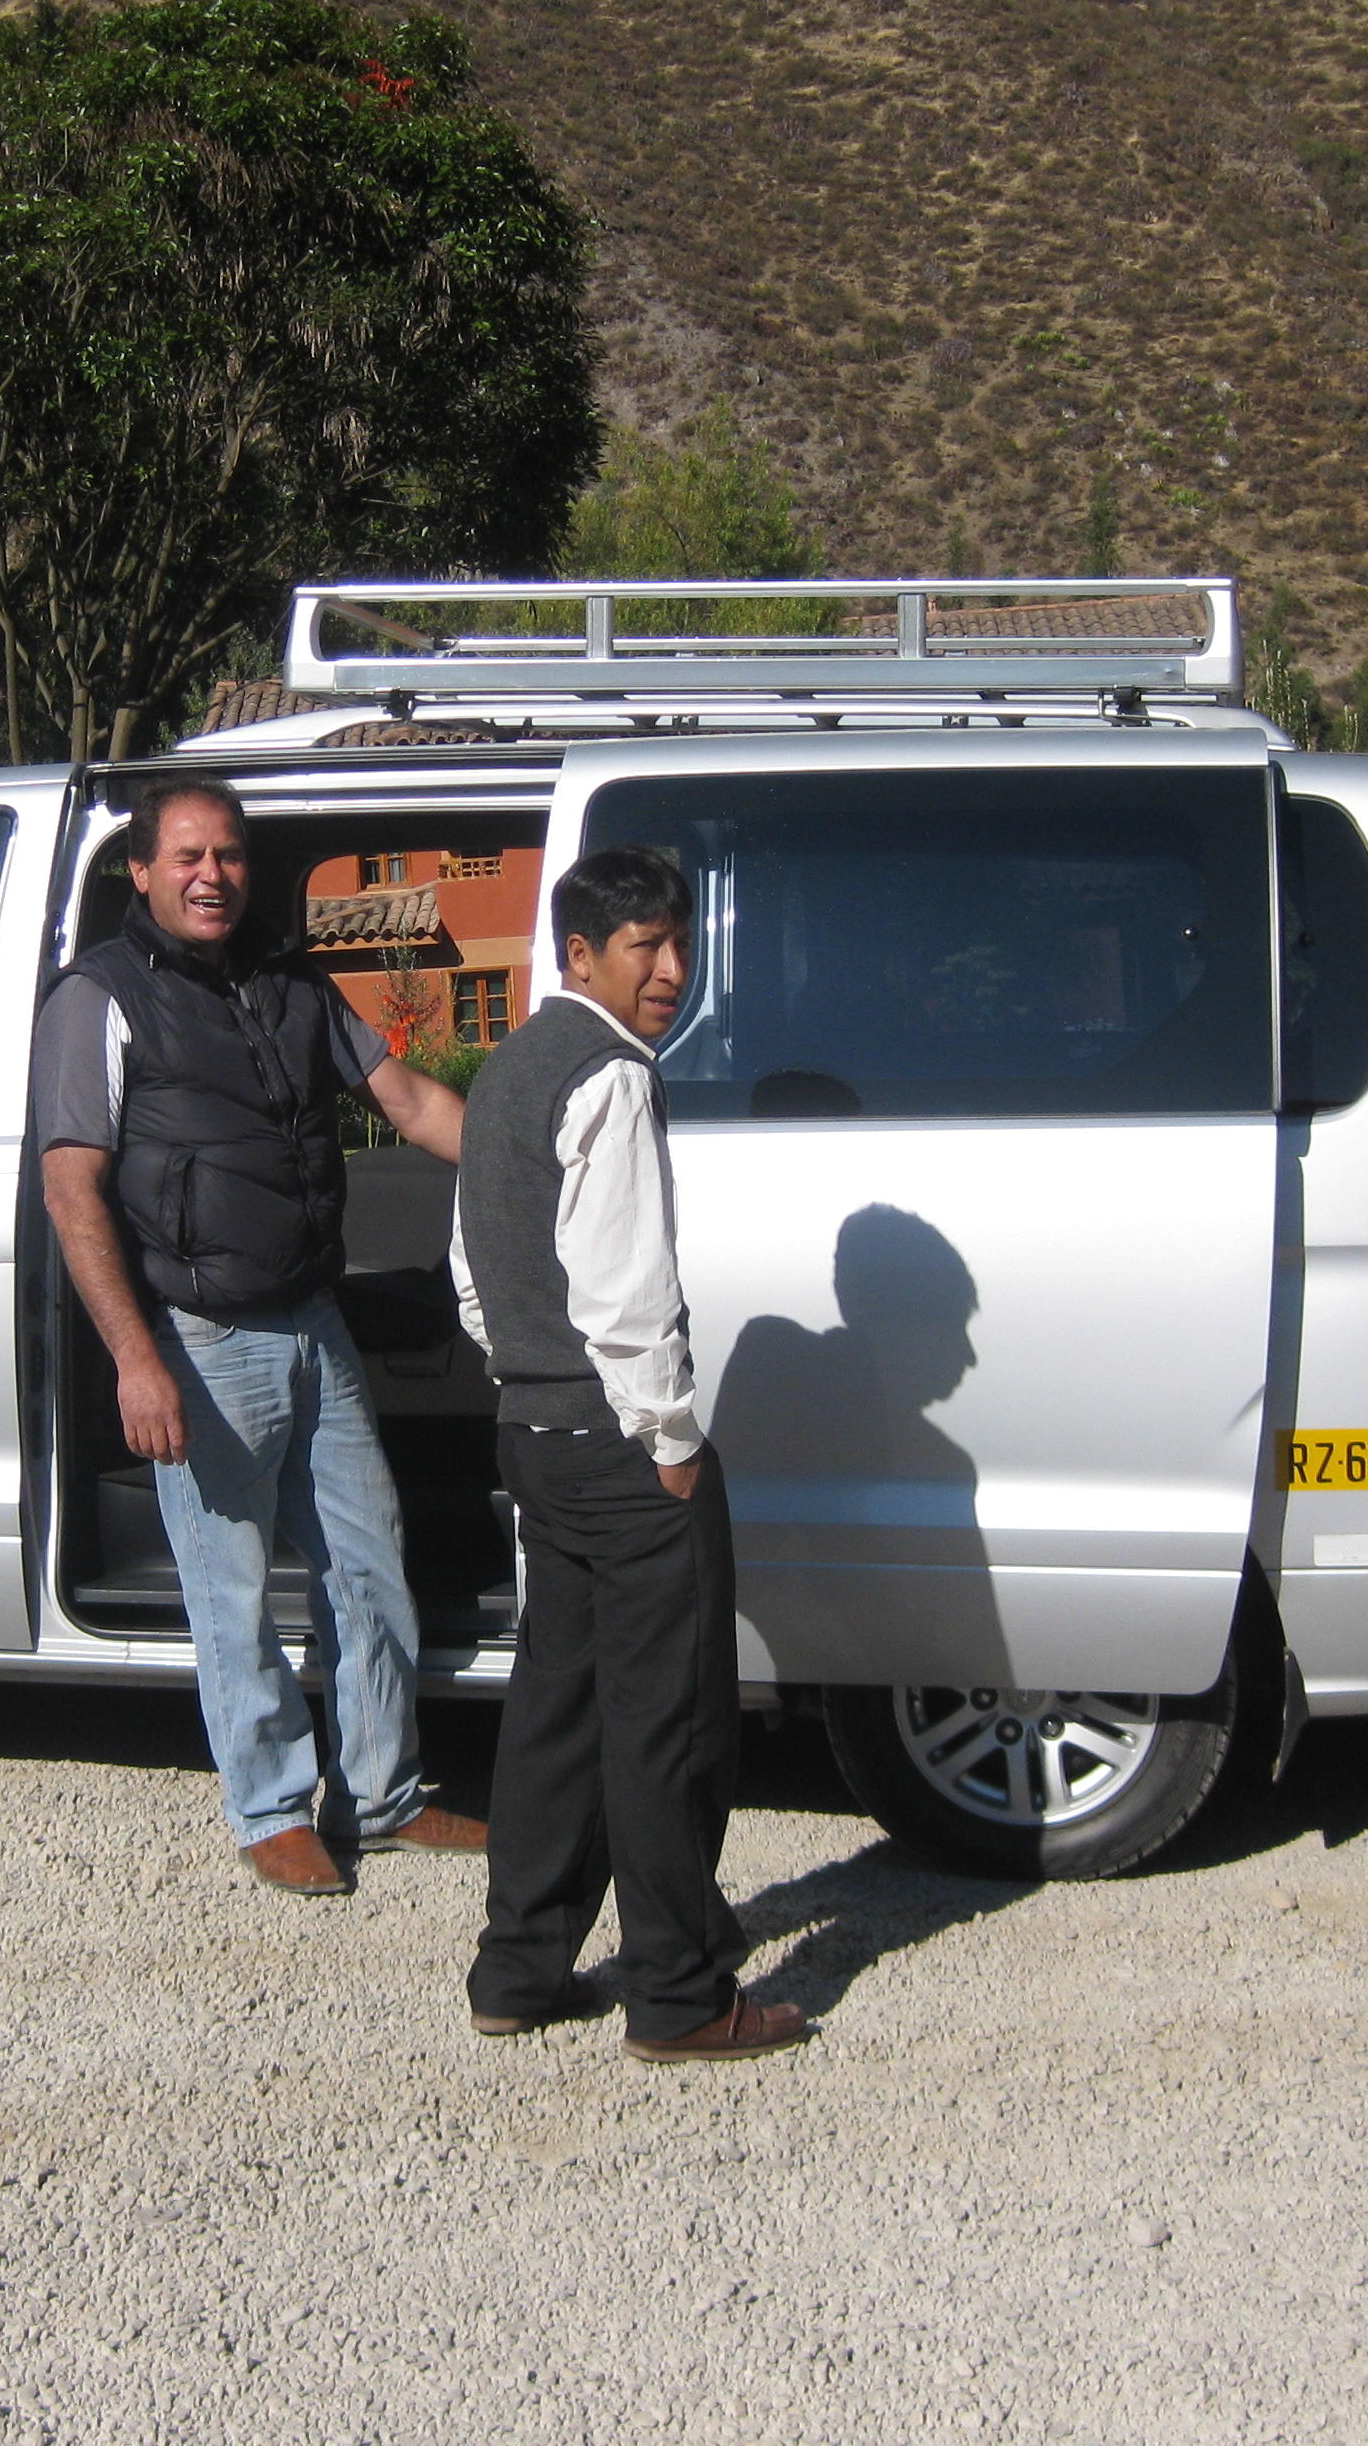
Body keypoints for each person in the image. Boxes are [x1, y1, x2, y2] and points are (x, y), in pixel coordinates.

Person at [34, 772, 486, 1893]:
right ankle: (271, 1806)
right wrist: (138, 1359)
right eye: (185, 856)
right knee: (230, 1586)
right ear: (140, 872)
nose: (210, 875)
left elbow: (413, 1104)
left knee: (368, 1564)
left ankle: (383, 1792)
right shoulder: (100, 998)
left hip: (312, 1322)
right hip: (201, 1336)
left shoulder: (293, 980)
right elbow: (70, 1191)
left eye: (227, 855)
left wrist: (539, 1160)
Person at [452, 845, 809, 2063]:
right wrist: (666, 1437)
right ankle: (679, 1995)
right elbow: (624, 1293)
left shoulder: (506, 1066)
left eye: (675, 942)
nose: (668, 969)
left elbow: (475, 1274)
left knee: (557, 1706)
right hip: (617, 1445)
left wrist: (523, 1371)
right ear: (580, 955)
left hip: (535, 1436)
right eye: (641, 947)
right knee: (668, 1722)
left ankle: (518, 1968)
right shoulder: (606, 1076)